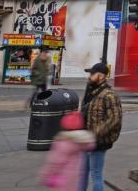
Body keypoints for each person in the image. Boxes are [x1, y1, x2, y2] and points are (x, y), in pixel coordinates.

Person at [78, 62, 122, 191]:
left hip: (98, 141)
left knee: (96, 175)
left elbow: (115, 119)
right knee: (82, 173)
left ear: (101, 76)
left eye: (92, 74)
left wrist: (95, 133)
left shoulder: (109, 95)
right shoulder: (92, 92)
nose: (89, 77)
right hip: (85, 139)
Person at [39, 111, 95, 190]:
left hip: (61, 182)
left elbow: (54, 163)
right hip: (74, 182)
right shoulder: (81, 143)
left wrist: (44, 175)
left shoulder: (63, 144)